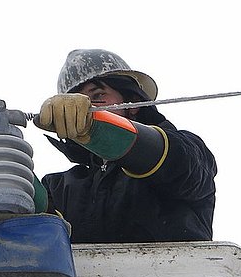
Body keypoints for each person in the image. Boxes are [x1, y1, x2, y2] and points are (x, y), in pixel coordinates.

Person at [33, 48, 217, 243]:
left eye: (97, 95)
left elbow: (178, 163)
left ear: (133, 103)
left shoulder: (187, 150)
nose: (86, 108)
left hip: (178, 272)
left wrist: (99, 128)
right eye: (74, 104)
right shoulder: (60, 187)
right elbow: (42, 236)